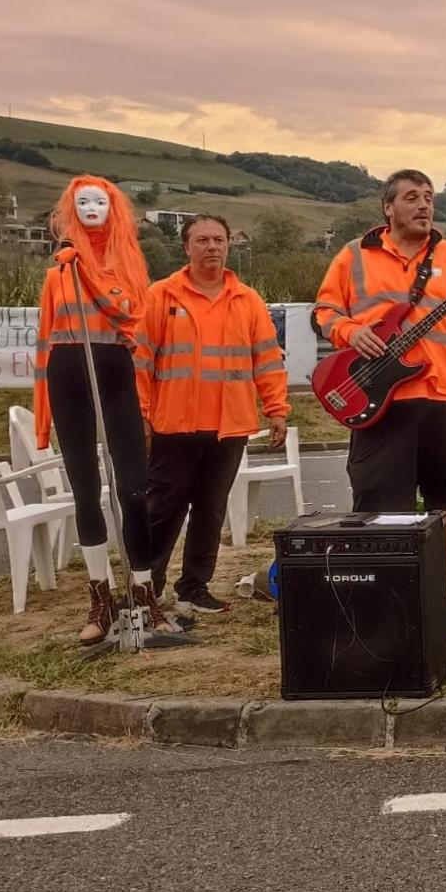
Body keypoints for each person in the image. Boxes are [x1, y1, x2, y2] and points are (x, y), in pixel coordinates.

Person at [313, 169, 446, 627]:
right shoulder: (352, 257)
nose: (424, 205)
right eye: (412, 197)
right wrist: (351, 331)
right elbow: (324, 311)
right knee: (379, 505)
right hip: (381, 399)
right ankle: (383, 597)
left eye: (429, 198)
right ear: (388, 207)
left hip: (445, 393)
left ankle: (436, 596)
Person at [133, 214, 290, 615]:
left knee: (210, 509)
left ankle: (194, 588)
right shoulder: (161, 296)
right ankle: (147, 587)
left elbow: (267, 361)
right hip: (174, 425)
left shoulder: (247, 300)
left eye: (219, 239)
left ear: (229, 245)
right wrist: (143, 415)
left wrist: (277, 409)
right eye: (202, 240)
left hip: (229, 426)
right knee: (163, 509)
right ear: (186, 247)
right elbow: (141, 361)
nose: (212, 247)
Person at [31, 175, 156, 643]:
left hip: (114, 370)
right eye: (80, 201)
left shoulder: (126, 266)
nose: (89, 208)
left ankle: (144, 594)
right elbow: (44, 344)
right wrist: (42, 420)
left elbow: (132, 321)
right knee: (85, 488)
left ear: (113, 208)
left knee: (133, 488)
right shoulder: (57, 273)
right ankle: (100, 597)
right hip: (68, 373)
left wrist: (145, 405)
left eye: (98, 201)